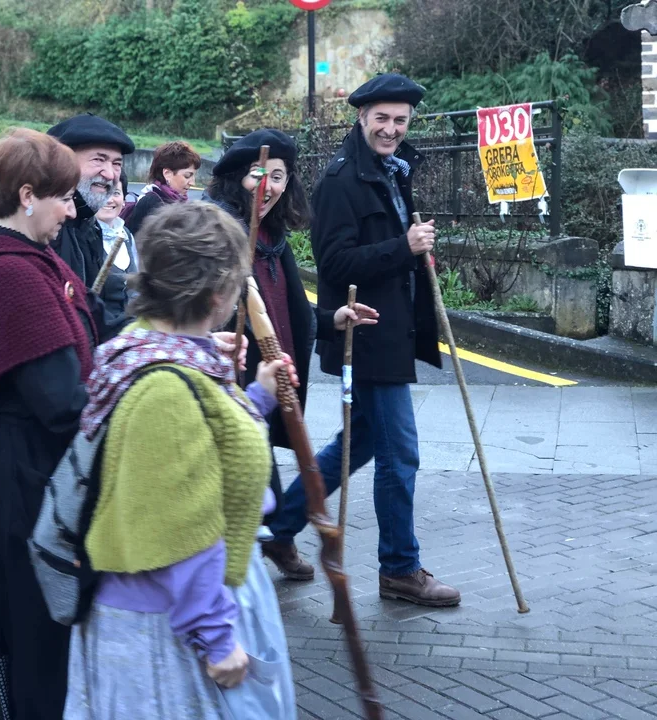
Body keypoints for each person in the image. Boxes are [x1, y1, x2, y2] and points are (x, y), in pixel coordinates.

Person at [64, 201, 298, 718]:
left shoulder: (148, 347)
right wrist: (217, 640)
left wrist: (256, 397)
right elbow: (184, 530)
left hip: (181, 607)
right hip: (165, 625)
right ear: (217, 296)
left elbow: (202, 449)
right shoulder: (166, 388)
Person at [268, 73, 461, 606]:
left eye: (400, 120)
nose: (391, 129)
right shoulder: (341, 180)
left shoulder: (393, 170)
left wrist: (413, 252)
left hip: (393, 330)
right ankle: (399, 568)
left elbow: (391, 247)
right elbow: (332, 262)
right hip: (364, 334)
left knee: (358, 445)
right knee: (401, 454)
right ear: (361, 118)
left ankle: (278, 529)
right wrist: (404, 247)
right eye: (382, 119)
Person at [0, 128, 110, 719]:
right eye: (63, 198)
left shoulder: (28, 260)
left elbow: (94, 333)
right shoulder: (13, 274)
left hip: (21, 471)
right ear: (26, 195)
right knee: (38, 642)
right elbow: (61, 401)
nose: (71, 211)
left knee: (29, 634)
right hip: (18, 479)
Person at [206, 129, 378, 581]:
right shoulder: (217, 231)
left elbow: (289, 310)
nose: (268, 185)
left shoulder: (272, 239)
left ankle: (273, 540)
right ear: (236, 178)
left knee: (260, 466)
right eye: (258, 174)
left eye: (279, 176)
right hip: (232, 375)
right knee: (246, 473)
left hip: (271, 377)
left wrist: (333, 318)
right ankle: (242, 563)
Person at [47, 113, 135, 324]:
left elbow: (93, 316)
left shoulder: (89, 226)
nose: (110, 174)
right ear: (63, 162)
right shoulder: (40, 228)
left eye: (117, 163)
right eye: (99, 160)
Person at [123, 140, 201, 235]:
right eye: (187, 176)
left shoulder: (179, 201)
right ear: (167, 174)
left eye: (194, 176)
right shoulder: (151, 203)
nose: (193, 183)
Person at [95, 173, 138, 277]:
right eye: (102, 192)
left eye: (116, 193)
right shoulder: (83, 237)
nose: (109, 200)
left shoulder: (126, 235)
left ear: (124, 200)